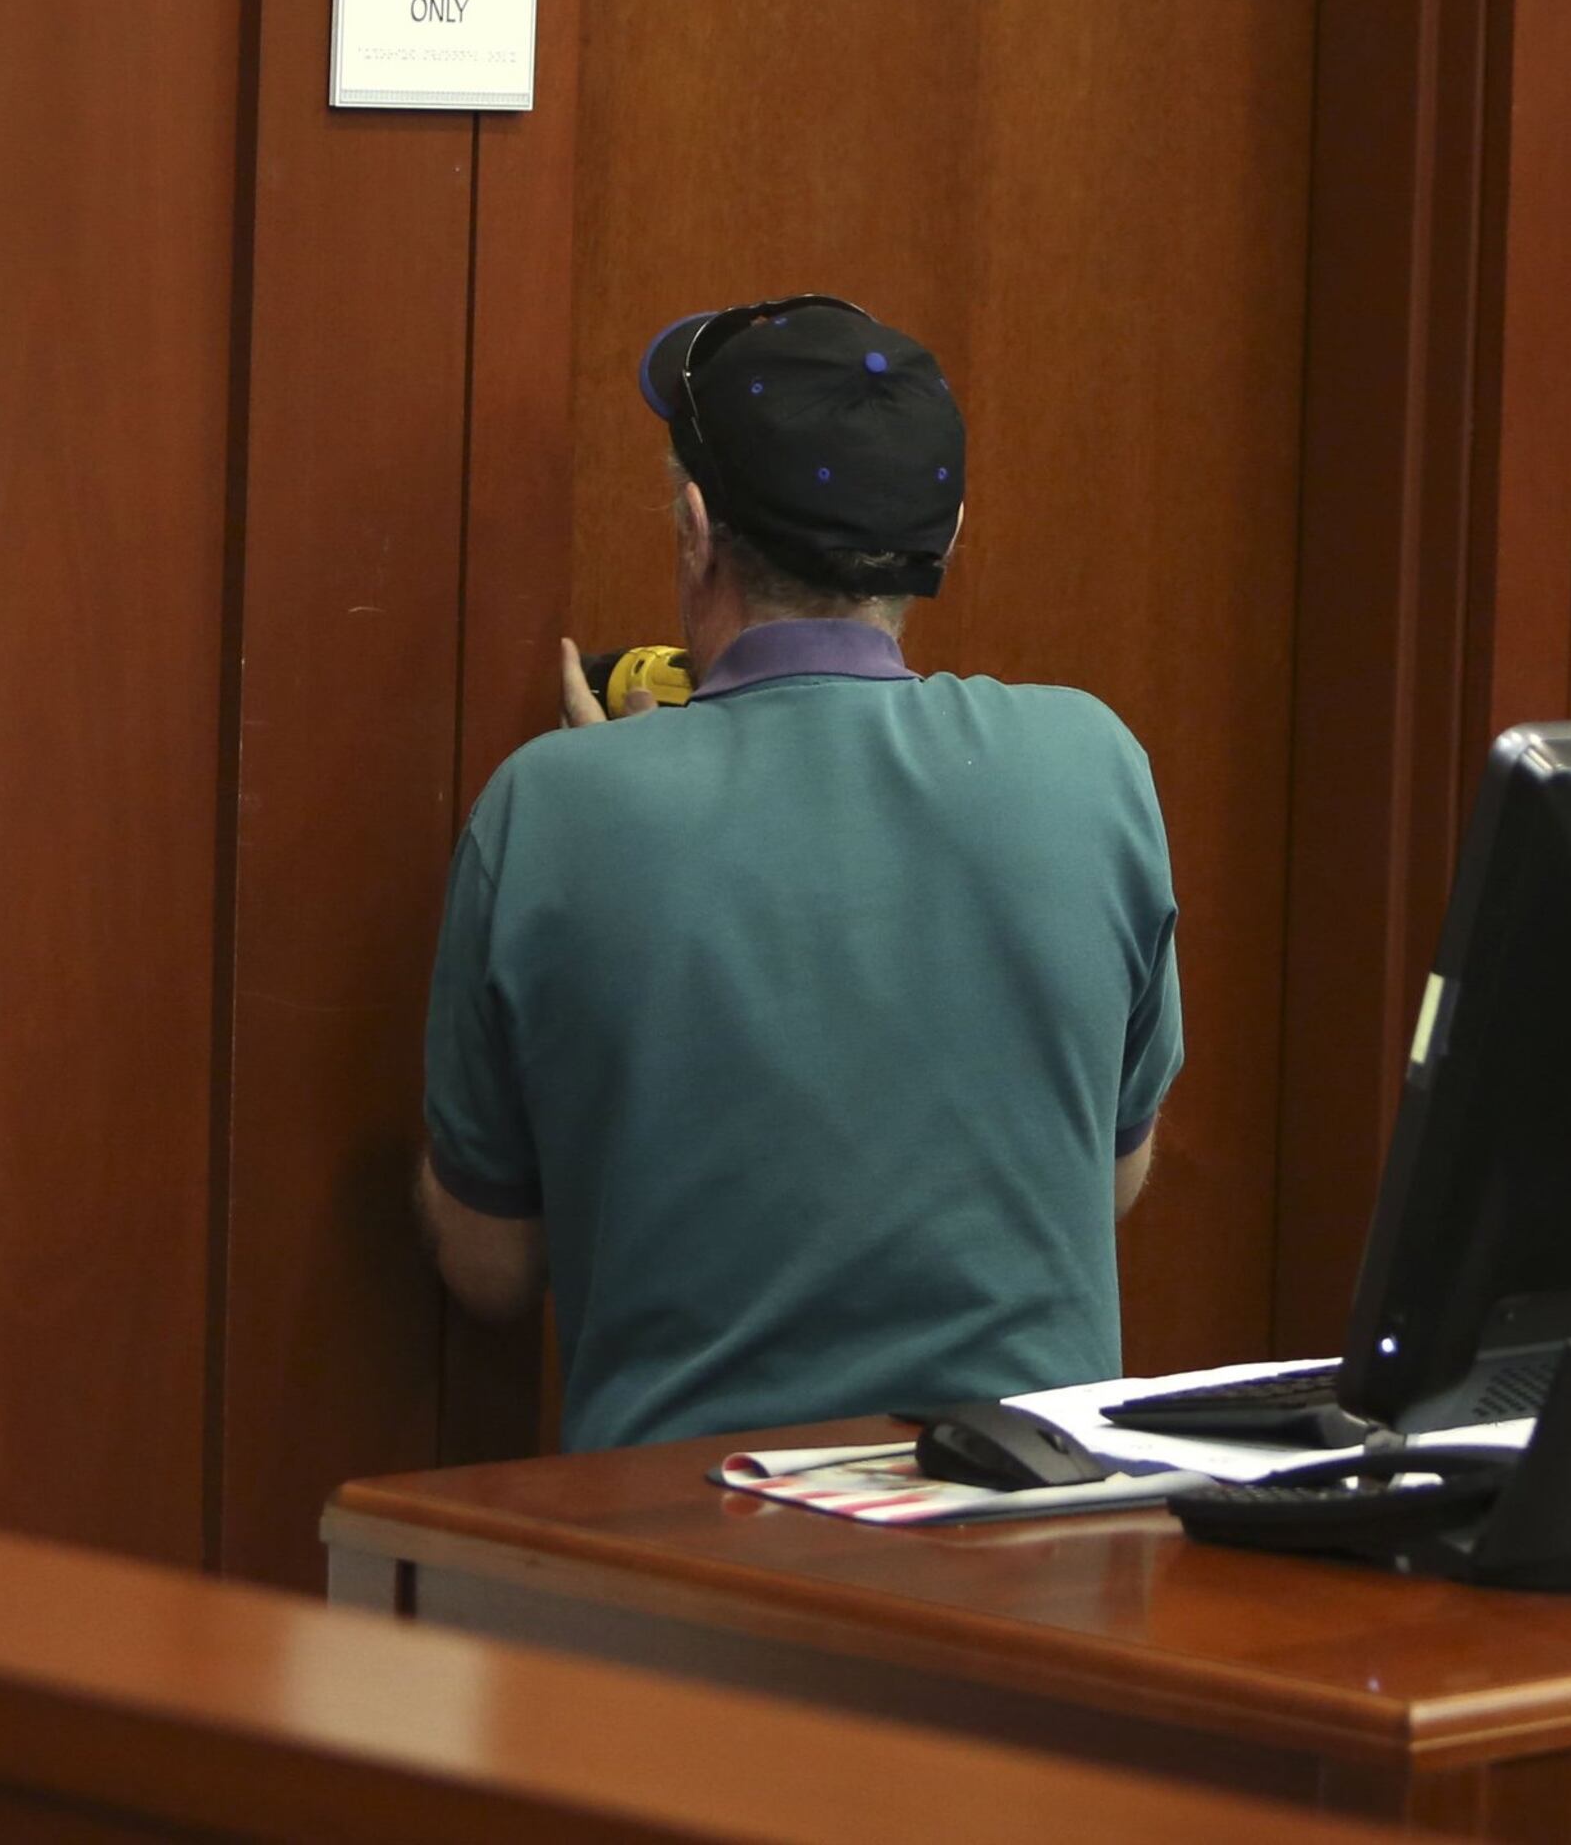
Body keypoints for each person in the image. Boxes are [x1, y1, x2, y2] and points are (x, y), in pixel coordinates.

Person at [410, 293, 1182, 1451]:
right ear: (951, 534)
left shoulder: (555, 807)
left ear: (693, 525)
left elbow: (490, 1263)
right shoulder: (1092, 765)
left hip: (690, 1559)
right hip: (1035, 1556)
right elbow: (1109, 1181)